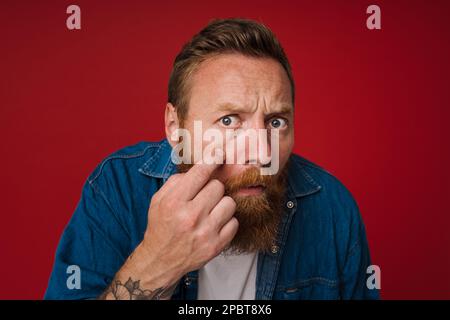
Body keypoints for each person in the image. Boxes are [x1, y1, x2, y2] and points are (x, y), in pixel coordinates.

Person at [45, 18, 379, 300]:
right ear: (175, 127)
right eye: (229, 121)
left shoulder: (333, 209)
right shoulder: (116, 189)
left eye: (276, 122)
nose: (262, 154)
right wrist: (157, 261)